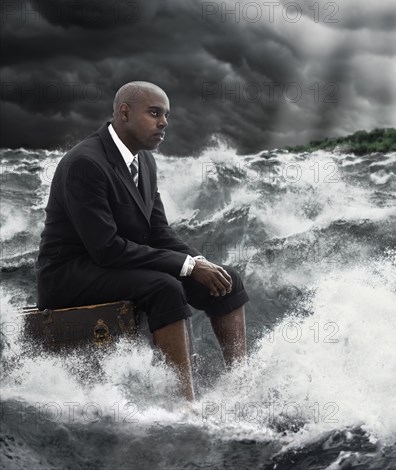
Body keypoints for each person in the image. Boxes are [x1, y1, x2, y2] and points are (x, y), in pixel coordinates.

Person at [34, 81, 249, 401]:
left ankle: (241, 387)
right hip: (70, 273)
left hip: (114, 265)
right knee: (165, 287)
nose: (164, 122)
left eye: (167, 115)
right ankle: (184, 404)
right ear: (124, 113)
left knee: (226, 278)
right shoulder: (85, 163)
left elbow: (159, 233)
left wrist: (201, 264)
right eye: (154, 113)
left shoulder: (145, 161)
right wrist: (187, 267)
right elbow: (106, 248)